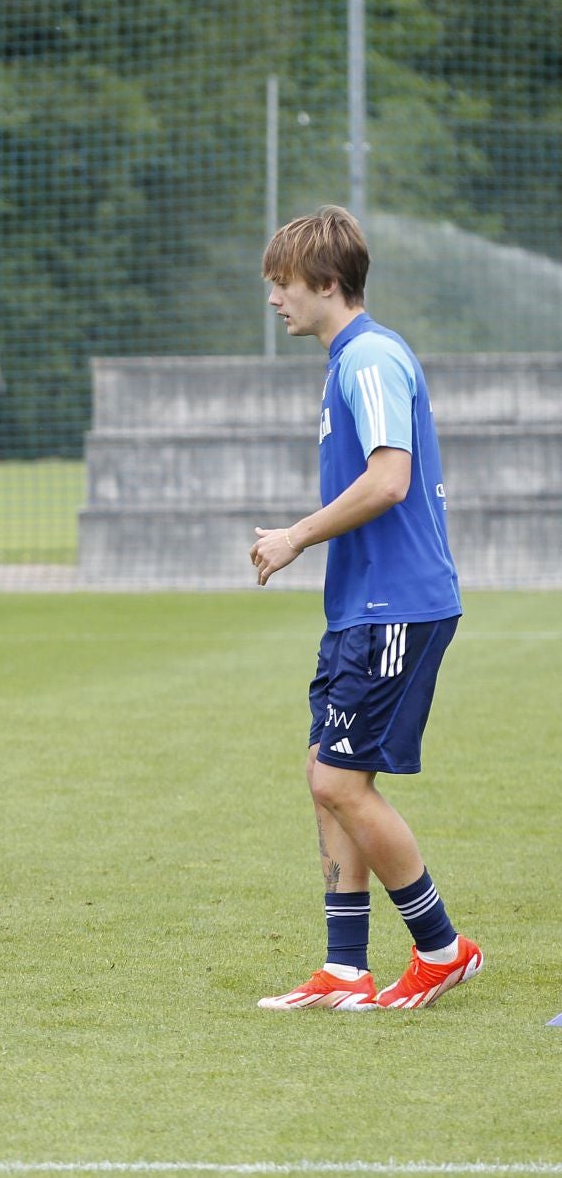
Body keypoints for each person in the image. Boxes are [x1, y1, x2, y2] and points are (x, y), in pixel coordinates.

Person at [250, 205, 481, 1011]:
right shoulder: (348, 359)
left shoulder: (370, 358)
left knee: (340, 779)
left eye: (283, 285)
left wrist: (295, 537)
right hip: (362, 607)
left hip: (396, 605)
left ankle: (441, 947)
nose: (275, 299)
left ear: (325, 282)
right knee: (326, 773)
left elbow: (391, 478)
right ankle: (345, 965)